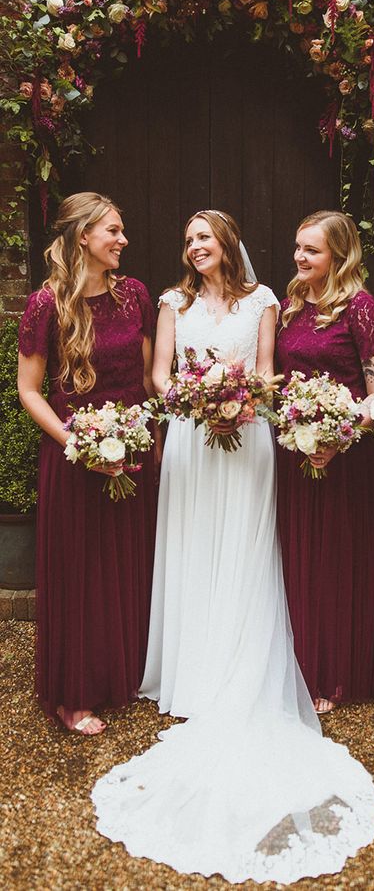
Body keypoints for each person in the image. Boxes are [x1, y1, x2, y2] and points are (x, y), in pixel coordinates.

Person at [91, 210, 374, 883]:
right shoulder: (170, 303)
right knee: (193, 543)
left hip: (249, 435)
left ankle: (240, 661)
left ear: (227, 243)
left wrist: (241, 397)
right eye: (187, 238)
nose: (195, 247)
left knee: (248, 547)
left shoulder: (266, 302)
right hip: (194, 437)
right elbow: (159, 377)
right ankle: (190, 670)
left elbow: (271, 373)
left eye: (204, 237)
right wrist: (195, 397)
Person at [17, 192, 156, 735]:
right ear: (83, 238)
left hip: (133, 453)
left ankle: (122, 676)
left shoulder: (135, 295)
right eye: (113, 232)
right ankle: (72, 693)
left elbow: (145, 381)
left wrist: (154, 440)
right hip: (74, 457)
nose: (123, 241)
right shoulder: (45, 304)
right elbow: (30, 391)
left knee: (127, 566)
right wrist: (80, 442)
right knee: (80, 574)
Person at [275, 211, 374, 714]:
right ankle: (300, 667)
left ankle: (337, 671)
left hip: (347, 459)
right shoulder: (292, 304)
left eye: (312, 251)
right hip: (295, 454)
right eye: (298, 247)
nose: (300, 257)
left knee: (338, 561)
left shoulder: (362, 309)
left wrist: (338, 436)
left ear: (338, 257)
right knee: (300, 558)